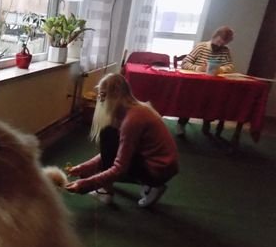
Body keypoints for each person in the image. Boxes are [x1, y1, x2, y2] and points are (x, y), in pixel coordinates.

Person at [65, 73, 179, 207]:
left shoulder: (132, 120)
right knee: (111, 138)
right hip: (164, 168)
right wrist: (83, 167)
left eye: (103, 95)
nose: (100, 100)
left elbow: (119, 168)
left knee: (108, 135)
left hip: (156, 171)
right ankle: (151, 184)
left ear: (115, 95)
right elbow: (114, 152)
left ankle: (106, 191)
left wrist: (85, 185)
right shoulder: (137, 109)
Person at [176, 26, 235, 136]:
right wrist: (198, 68)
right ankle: (181, 123)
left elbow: (230, 66)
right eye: (218, 42)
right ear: (215, 36)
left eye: (223, 44)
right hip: (196, 85)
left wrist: (220, 69)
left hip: (214, 86)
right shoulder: (201, 47)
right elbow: (185, 63)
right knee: (189, 101)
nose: (219, 46)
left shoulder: (225, 50)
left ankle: (207, 121)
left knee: (214, 101)